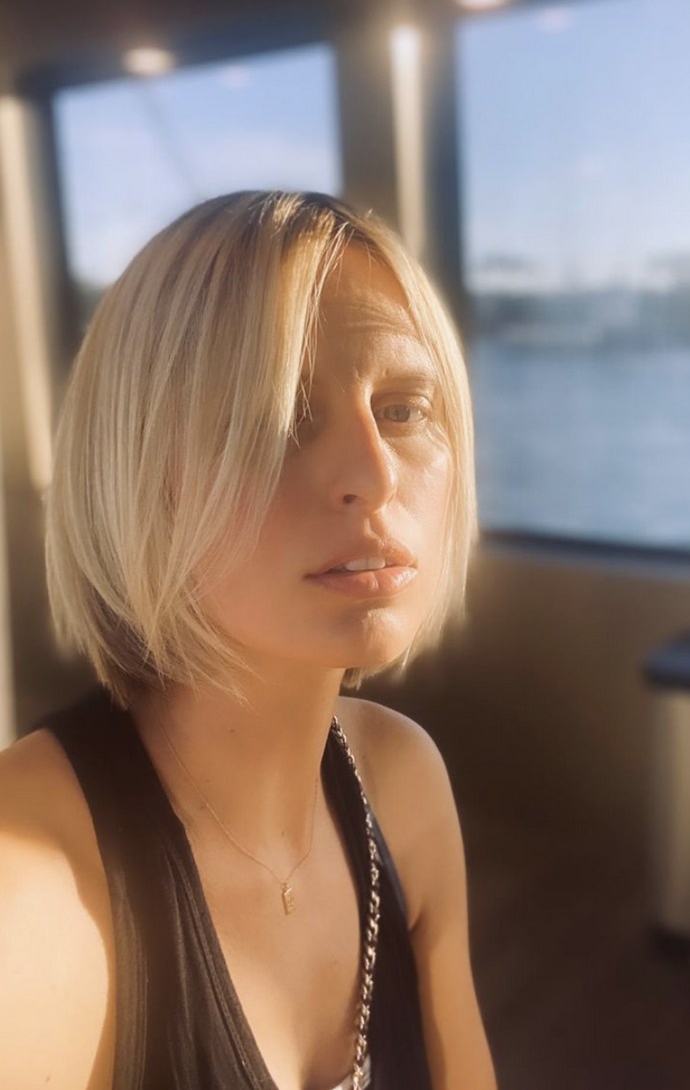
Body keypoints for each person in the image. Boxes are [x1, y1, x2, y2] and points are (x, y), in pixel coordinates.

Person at [0, 191, 496, 1090]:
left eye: (402, 409)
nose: (374, 474)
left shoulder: (404, 783)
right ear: (138, 469)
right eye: (281, 414)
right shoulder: (29, 886)